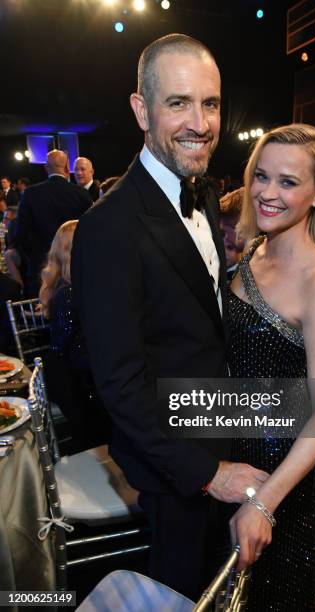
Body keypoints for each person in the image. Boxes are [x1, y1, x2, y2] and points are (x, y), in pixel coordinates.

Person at [71, 33, 268, 601]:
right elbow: (121, 385)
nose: (200, 122)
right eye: (177, 103)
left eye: (210, 103)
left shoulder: (202, 193)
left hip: (220, 425)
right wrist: (208, 474)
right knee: (181, 591)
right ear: (141, 110)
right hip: (173, 466)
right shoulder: (108, 229)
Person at [226, 124, 315, 610]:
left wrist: (264, 502)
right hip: (231, 446)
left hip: (279, 470)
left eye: (288, 182)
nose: (267, 193)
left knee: (271, 595)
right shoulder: (256, 249)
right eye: (262, 176)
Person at [39, 220, 111, 452]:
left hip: (84, 367)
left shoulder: (79, 284)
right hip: (72, 375)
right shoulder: (68, 292)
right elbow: (64, 346)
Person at [15, 150, 92, 297]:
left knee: (42, 313)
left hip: (41, 268)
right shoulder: (81, 194)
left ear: (46, 167)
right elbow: (90, 231)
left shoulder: (30, 194)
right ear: (66, 167)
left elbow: (21, 234)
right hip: (75, 268)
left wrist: (35, 256)